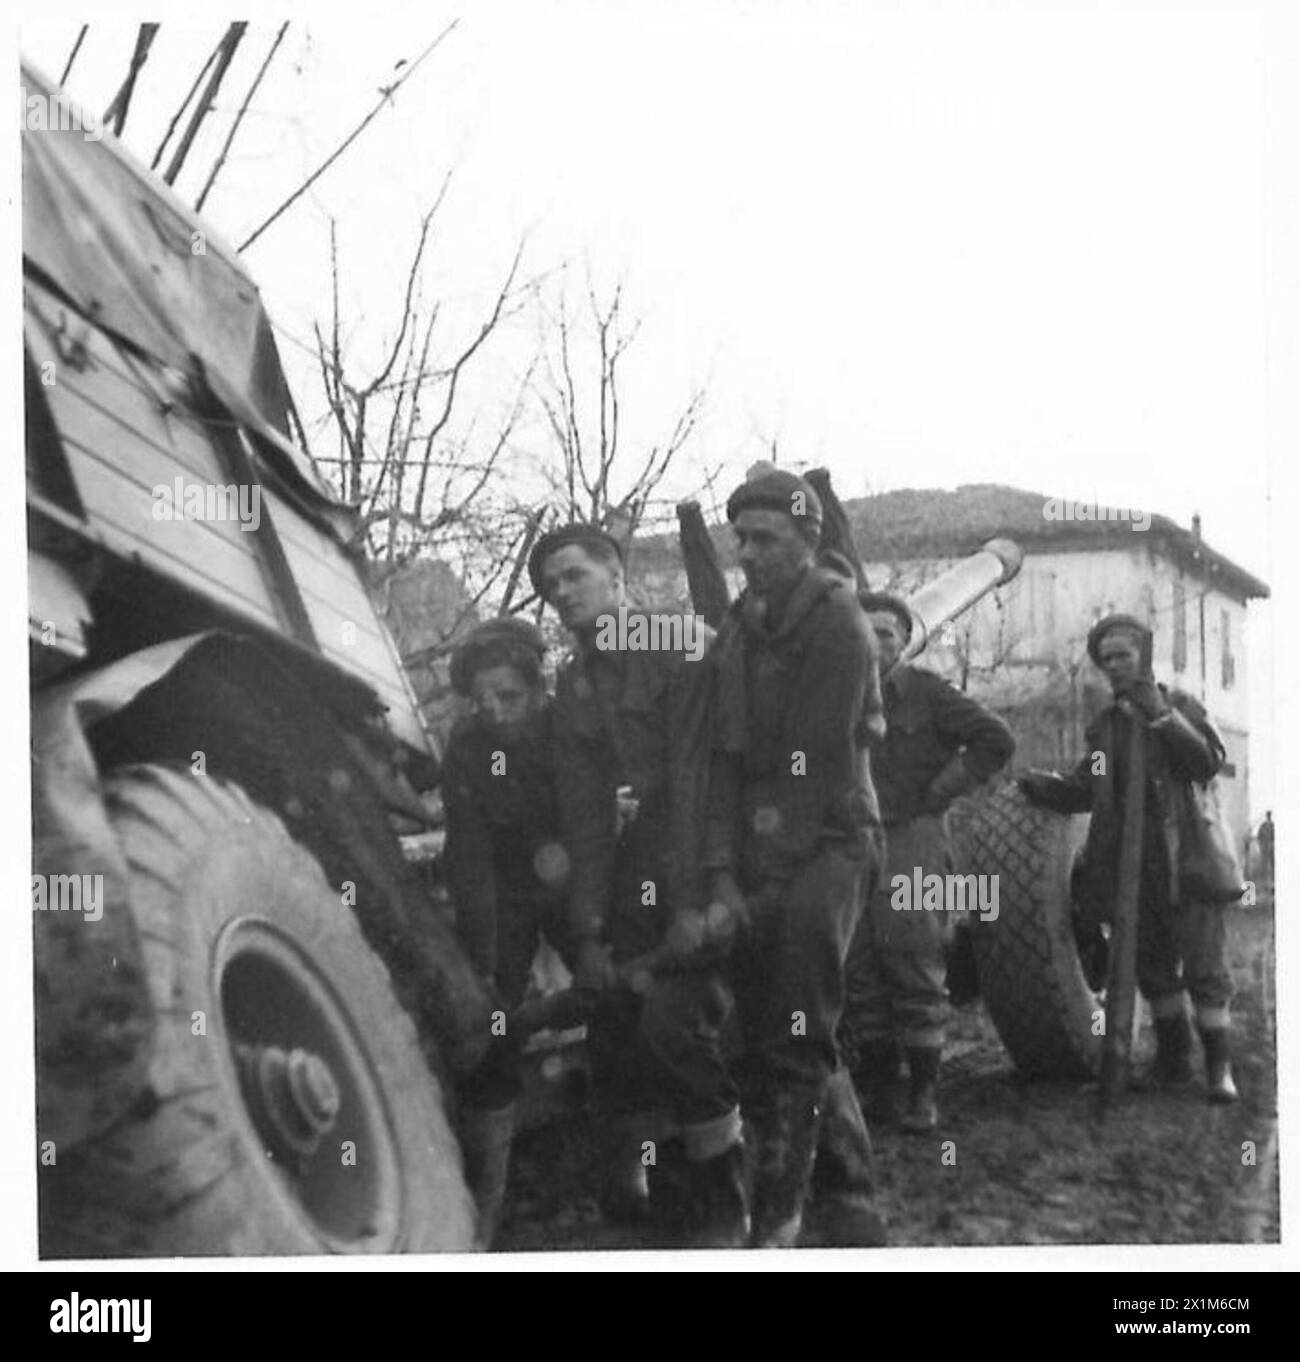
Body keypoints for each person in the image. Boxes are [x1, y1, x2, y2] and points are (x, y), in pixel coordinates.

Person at [528, 523, 749, 1248]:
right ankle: (656, 1186)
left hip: (725, 838)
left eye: (573, 576)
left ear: (617, 577)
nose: (560, 595)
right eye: (549, 587)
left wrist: (692, 902)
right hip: (651, 847)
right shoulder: (578, 680)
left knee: (680, 1018)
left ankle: (730, 1197)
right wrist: (589, 934)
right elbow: (586, 816)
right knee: (616, 1013)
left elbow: (694, 781)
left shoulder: (674, 643)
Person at [704, 468, 887, 1247]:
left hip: (833, 841)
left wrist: (770, 888)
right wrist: (721, 874)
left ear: (808, 540)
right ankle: (850, 1193)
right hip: (763, 841)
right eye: (740, 538)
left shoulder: (840, 625)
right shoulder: (742, 626)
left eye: (765, 539)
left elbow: (815, 767)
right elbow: (719, 758)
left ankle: (778, 1221)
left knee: (797, 1018)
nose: (747, 553)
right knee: (768, 1014)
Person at [1019, 613, 1237, 1103]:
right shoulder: (1107, 729)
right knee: (1155, 969)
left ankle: (1220, 1070)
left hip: (1188, 860)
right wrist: (1045, 787)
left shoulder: (1182, 706)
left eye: (1124, 655)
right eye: (1108, 658)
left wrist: (1161, 715)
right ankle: (1174, 1062)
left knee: (1205, 969)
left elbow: (1206, 762)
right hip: (1133, 870)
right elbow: (1089, 785)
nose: (1116, 665)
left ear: (1145, 655)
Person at [840, 591, 1014, 1132]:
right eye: (862, 632)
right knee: (858, 965)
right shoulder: (832, 693)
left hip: (912, 838)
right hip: (851, 842)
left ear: (903, 642)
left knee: (914, 958)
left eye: (886, 633)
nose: (874, 643)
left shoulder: (927, 693)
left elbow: (995, 739)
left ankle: (922, 1093)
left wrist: (943, 789)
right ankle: (879, 1089)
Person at [441, 617, 571, 1247]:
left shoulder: (573, 725)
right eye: (482, 700)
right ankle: (484, 1208)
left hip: (586, 875)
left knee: (630, 997)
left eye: (509, 697)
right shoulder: (467, 748)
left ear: (539, 689)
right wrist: (486, 961)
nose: (493, 712)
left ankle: (636, 1161)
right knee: (491, 1030)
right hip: (513, 888)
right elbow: (469, 858)